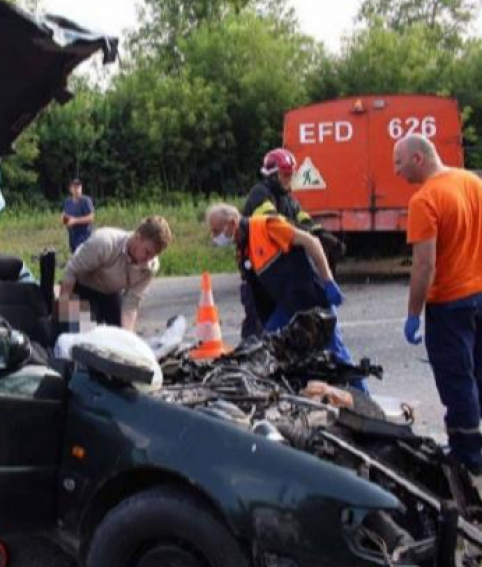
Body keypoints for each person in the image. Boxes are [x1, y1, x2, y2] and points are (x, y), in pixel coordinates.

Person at [394, 133, 482, 474]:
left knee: (457, 379)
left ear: (418, 158)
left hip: (450, 304)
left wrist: (413, 314)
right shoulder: (471, 182)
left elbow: (424, 266)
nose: (397, 171)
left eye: (398, 163)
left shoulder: (425, 200)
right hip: (479, 294)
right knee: (478, 374)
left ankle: (467, 457)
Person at [205, 202, 364, 391]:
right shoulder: (242, 248)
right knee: (268, 350)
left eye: (216, 231)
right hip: (287, 307)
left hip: (310, 300)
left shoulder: (267, 227)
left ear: (232, 224)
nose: (215, 237)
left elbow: (312, 242)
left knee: (337, 354)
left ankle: (366, 400)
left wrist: (328, 281)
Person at [240, 148, 345, 338]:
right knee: (257, 328)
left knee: (285, 323)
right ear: (271, 175)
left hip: (278, 273)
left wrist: (322, 235)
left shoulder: (287, 198)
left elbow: (303, 219)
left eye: (291, 175)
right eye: (285, 175)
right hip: (259, 273)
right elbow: (275, 224)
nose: (289, 179)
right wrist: (307, 237)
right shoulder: (260, 194)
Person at [59, 215, 172, 332]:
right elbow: (71, 271)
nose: (149, 259)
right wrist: (64, 312)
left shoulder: (150, 266)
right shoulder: (105, 242)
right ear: (138, 237)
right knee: (84, 336)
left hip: (110, 293)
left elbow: (131, 304)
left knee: (118, 338)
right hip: (81, 287)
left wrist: (127, 339)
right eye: (147, 252)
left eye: (153, 255)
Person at [61, 178, 95, 253]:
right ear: (70, 189)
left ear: (81, 188)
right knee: (74, 257)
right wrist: (63, 218)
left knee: (83, 258)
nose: (77, 189)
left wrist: (75, 221)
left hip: (84, 236)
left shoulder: (85, 201)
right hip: (72, 236)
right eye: (74, 187)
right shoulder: (68, 202)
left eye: (78, 187)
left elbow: (91, 218)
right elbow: (64, 214)